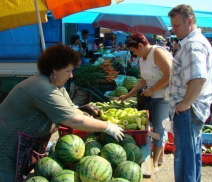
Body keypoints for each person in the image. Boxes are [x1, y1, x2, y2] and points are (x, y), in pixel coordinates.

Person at [0, 43, 124, 182]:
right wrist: (106, 126)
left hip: (27, 140)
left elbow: (72, 110)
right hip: (10, 141)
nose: (71, 76)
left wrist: (84, 111)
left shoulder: (56, 85)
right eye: (68, 71)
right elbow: (72, 120)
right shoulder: (42, 87)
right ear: (54, 70)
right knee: (8, 177)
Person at [168, 5, 212, 182]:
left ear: (189, 21)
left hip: (188, 111)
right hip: (192, 110)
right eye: (172, 26)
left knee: (185, 160)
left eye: (176, 26)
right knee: (192, 157)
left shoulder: (192, 45)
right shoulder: (197, 42)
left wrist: (184, 104)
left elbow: (198, 79)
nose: (173, 30)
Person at [118, 32, 173, 172]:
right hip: (150, 98)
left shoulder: (157, 52)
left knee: (160, 129)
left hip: (164, 97)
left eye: (134, 50)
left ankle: (154, 162)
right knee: (151, 128)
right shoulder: (142, 58)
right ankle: (160, 156)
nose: (134, 54)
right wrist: (127, 95)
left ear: (141, 45)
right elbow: (143, 81)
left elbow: (170, 75)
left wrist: (153, 89)